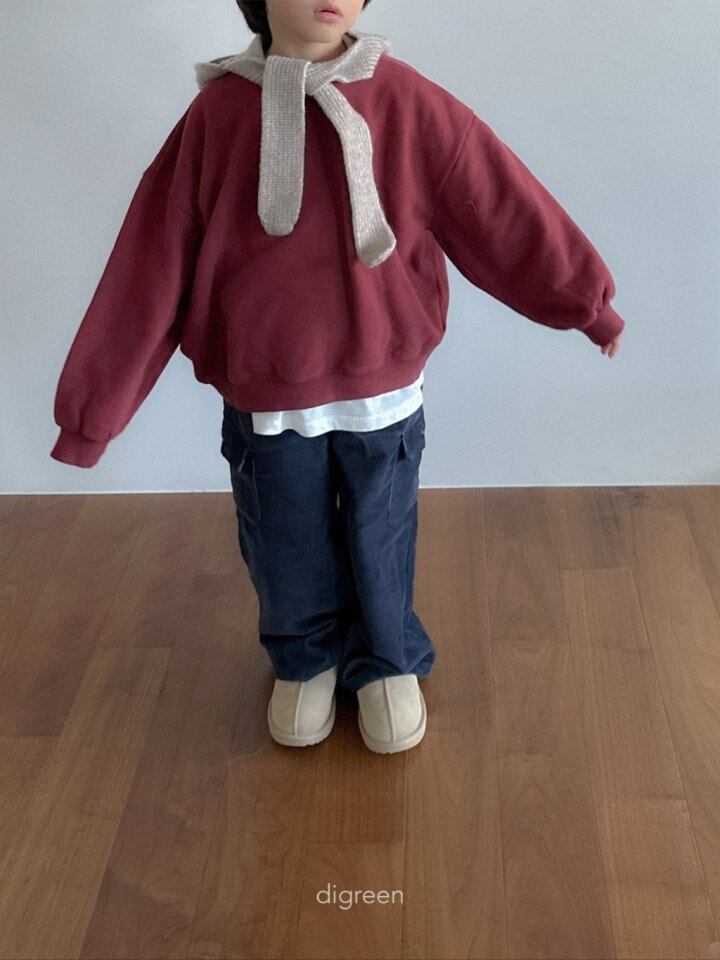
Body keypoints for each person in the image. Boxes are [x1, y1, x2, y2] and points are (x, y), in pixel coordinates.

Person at [49, 0, 625, 754]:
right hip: (266, 392)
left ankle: (386, 658)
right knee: (281, 533)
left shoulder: (407, 100)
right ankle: (306, 657)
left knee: (381, 527)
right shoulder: (219, 116)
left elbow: (496, 202)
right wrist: (93, 411)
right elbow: (151, 259)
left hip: (382, 386)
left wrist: (585, 303)